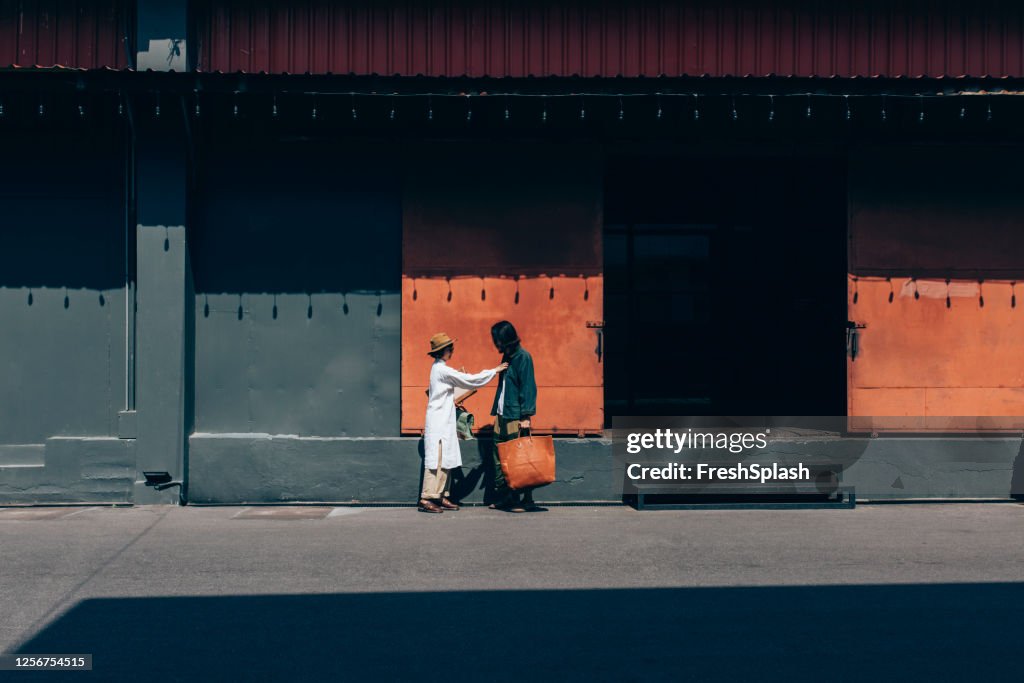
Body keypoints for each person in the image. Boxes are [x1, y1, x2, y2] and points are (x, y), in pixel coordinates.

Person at [420, 332, 507, 514]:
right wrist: (494, 371)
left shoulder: (439, 368)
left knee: (445, 459)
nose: (452, 351)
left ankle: (441, 495)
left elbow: (444, 392)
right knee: (437, 460)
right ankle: (427, 497)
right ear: (443, 351)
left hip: (443, 420)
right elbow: (470, 380)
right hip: (439, 422)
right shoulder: (442, 370)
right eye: (450, 348)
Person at [488, 321, 538, 513]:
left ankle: (522, 500)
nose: (495, 344)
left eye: (497, 340)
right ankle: (508, 496)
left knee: (517, 458)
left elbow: (528, 387)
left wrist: (526, 415)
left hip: (515, 416)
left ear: (505, 339)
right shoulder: (506, 357)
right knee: (499, 456)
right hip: (501, 414)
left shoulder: (523, 357)